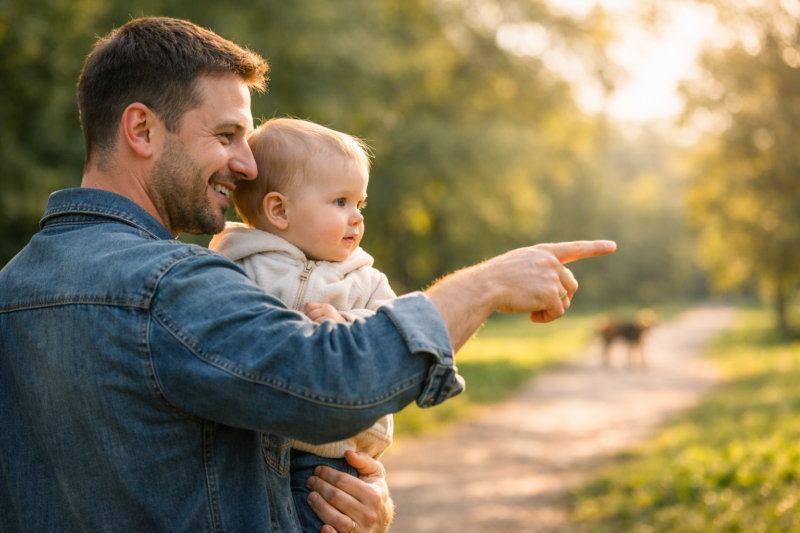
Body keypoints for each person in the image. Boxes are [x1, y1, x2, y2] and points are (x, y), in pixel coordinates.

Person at [0, 16, 615, 533]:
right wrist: (484, 285)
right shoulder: (170, 285)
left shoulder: (12, 289)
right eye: (226, 135)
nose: (246, 164)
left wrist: (341, 509)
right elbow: (332, 384)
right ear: (141, 129)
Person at [209, 117, 397, 532]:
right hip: (248, 449)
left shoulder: (364, 278)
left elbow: (392, 329)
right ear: (279, 209)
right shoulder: (237, 263)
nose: (356, 218)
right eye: (340, 202)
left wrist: (348, 323)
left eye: (359, 204)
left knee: (327, 519)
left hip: (330, 455)